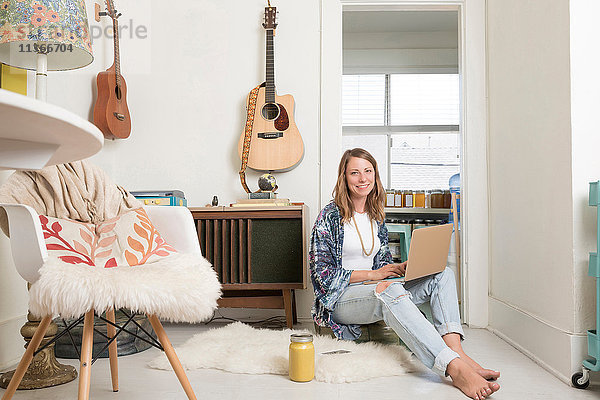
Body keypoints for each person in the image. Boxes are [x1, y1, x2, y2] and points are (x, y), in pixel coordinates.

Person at [309, 148, 500, 400]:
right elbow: (321, 274)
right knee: (388, 289)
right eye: (354, 172)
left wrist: (399, 269)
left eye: (368, 171)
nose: (362, 178)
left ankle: (457, 352)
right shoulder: (330, 216)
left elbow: (383, 263)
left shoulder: (376, 215)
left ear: (375, 175)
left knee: (442, 275)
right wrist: (374, 274)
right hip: (341, 300)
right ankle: (454, 369)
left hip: (375, 288)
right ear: (344, 177)